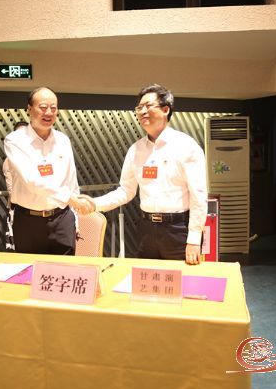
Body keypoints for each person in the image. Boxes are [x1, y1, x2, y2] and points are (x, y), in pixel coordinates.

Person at [82, 84, 207, 265]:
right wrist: (94, 204)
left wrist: (194, 239)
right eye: (139, 107)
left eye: (148, 106)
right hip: (146, 229)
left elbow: (199, 195)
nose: (142, 112)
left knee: (181, 280)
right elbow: (126, 191)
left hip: (179, 229)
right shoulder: (136, 149)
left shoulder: (186, 146)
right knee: (146, 279)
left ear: (166, 110)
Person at [3, 87, 91, 255]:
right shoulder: (15, 140)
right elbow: (32, 180)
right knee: (29, 269)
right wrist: (70, 199)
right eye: (43, 107)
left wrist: (75, 218)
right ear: (29, 109)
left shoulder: (63, 140)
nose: (49, 112)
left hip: (62, 219)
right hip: (28, 221)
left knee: (65, 268)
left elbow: (71, 181)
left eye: (53, 108)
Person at [3, 121, 28, 251]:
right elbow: (11, 188)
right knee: (21, 244)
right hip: (19, 208)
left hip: (40, 207)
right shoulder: (9, 161)